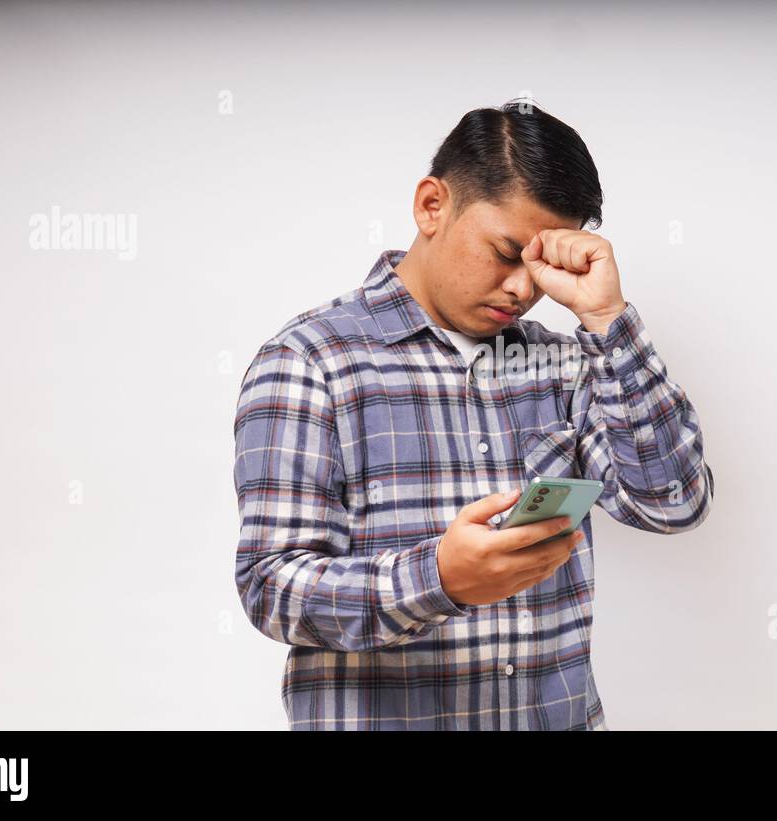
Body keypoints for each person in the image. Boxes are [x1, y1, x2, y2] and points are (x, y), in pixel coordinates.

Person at [232, 98, 714, 730]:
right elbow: (273, 589)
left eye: (542, 265)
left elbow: (672, 501)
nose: (524, 288)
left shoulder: (565, 364)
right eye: (506, 251)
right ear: (432, 205)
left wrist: (606, 319)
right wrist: (439, 578)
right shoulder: (310, 363)